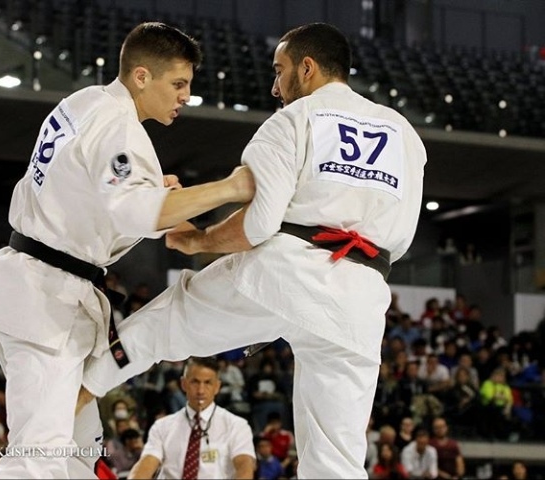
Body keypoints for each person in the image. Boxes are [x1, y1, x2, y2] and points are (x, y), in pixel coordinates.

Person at [79, 22, 427, 479]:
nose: (275, 86)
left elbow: (259, 222)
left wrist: (199, 240)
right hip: (360, 297)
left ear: (307, 67)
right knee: (337, 460)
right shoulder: (405, 134)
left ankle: (70, 401)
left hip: (286, 273)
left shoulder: (294, 120)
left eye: (280, 71)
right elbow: (400, 239)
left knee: (164, 322)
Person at [0, 22, 254, 479]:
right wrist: (230, 187)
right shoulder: (120, 128)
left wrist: (159, 199)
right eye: (178, 84)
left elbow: (94, 193)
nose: (185, 96)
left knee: (80, 451)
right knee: (40, 453)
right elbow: (139, 211)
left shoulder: (83, 103)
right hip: (45, 296)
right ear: (142, 76)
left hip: (39, 284)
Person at [127, 357, 256, 479]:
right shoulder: (162, 426)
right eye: (195, 382)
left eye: (207, 383)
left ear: (217, 387)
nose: (200, 390)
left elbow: (245, 466)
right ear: (183, 384)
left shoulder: (237, 426)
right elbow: (146, 464)